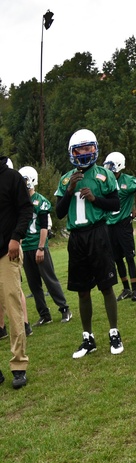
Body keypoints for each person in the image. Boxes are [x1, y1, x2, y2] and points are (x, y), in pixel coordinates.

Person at [54, 129, 125, 358]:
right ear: (72, 153)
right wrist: (69, 191)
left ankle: (114, 332)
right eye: (80, 149)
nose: (84, 153)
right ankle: (88, 338)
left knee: (106, 286)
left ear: (95, 149)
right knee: (82, 291)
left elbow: (115, 204)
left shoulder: (104, 175)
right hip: (77, 238)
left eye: (88, 148)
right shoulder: (66, 179)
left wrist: (96, 199)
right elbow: (59, 212)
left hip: (98, 233)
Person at [18, 166, 72, 326]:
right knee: (34, 284)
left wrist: (41, 247)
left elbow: (43, 227)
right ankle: (44, 314)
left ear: (32, 181)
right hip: (26, 247)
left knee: (49, 279)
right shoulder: (19, 203)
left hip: (38, 246)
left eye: (25, 180)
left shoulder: (40, 201)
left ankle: (64, 308)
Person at [0, 154, 31, 389]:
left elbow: (25, 210)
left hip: (6, 252)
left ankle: (18, 365)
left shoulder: (11, 177)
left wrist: (16, 237)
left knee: (13, 308)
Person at [103, 152, 136, 302]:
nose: (109, 168)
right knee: (117, 258)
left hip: (124, 224)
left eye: (111, 165)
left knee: (129, 257)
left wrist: (135, 211)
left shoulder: (128, 181)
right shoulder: (105, 181)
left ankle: (135, 290)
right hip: (110, 225)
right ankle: (126, 289)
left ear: (118, 166)